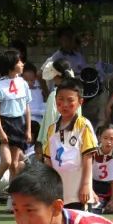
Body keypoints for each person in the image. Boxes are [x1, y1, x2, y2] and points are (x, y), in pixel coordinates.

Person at [0, 49, 31, 209]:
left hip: (19, 124)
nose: (22, 64)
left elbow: (27, 108)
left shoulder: (23, 83)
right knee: (6, 161)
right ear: (11, 65)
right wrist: (1, 132)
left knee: (15, 165)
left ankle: (12, 199)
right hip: (3, 123)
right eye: (19, 62)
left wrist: (28, 129)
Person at [43, 78, 98, 211]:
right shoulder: (52, 129)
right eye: (60, 100)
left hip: (78, 192)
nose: (65, 104)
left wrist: (86, 185)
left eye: (70, 100)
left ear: (80, 101)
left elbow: (88, 158)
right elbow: (48, 159)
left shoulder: (83, 125)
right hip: (59, 192)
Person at [91, 123, 113, 213]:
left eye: (112, 139)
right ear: (99, 138)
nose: (108, 142)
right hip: (93, 186)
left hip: (108, 188)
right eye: (105, 138)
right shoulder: (93, 153)